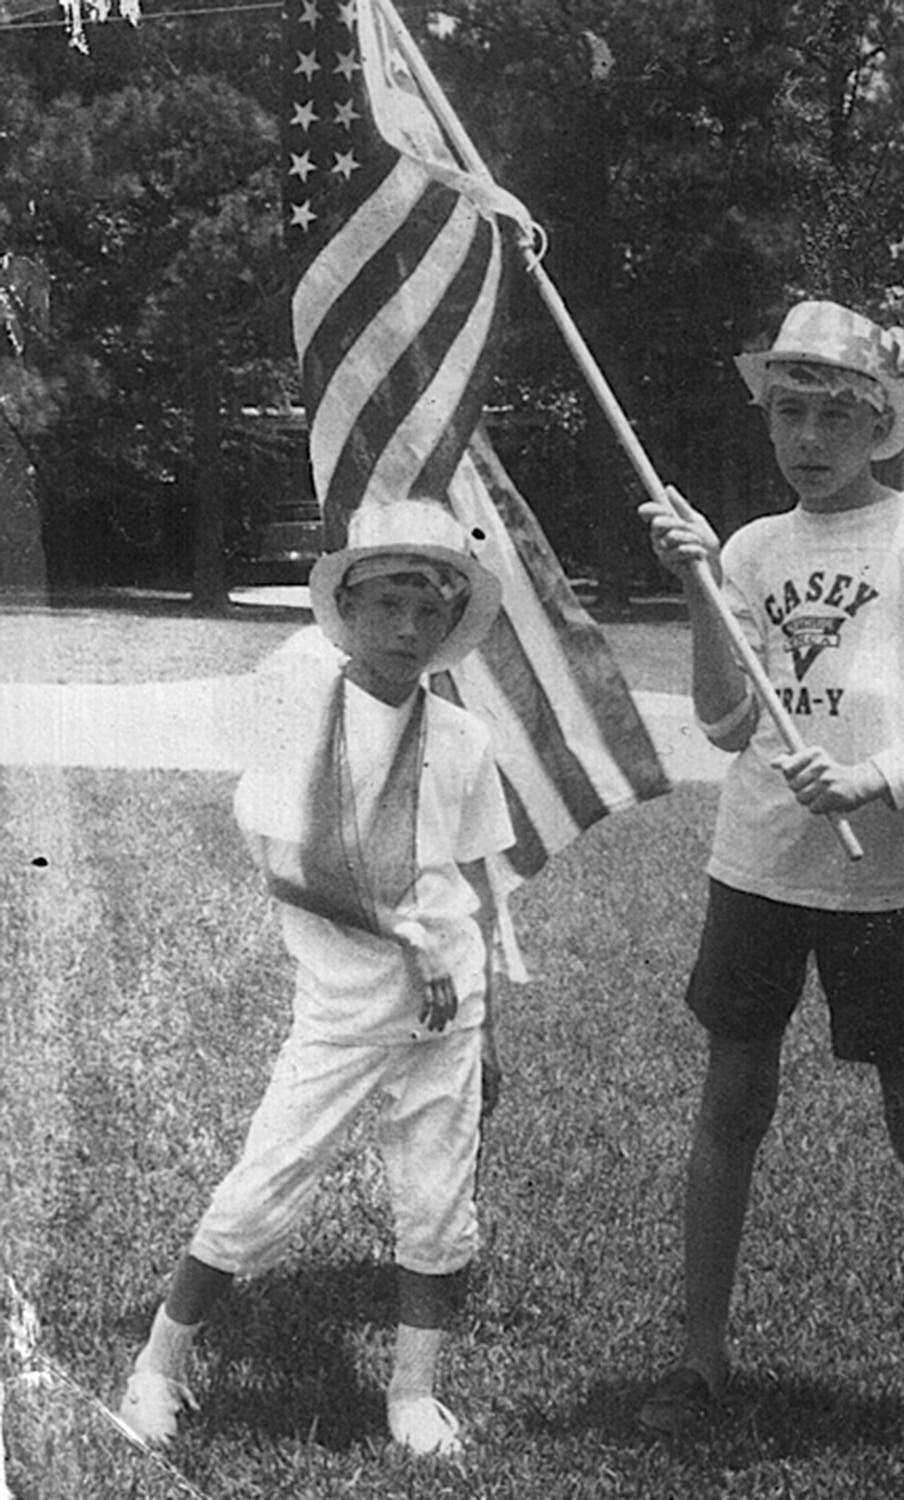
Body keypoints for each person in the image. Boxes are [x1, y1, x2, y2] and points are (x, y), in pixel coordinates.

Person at [634, 299, 904, 1463]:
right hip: (758, 863)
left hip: (888, 876)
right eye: (788, 412)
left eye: (833, 415)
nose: (808, 438)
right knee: (732, 1106)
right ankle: (702, 1357)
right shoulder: (755, 550)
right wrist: (701, 588)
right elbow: (722, 720)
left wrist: (874, 781)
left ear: (882, 422)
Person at [116, 498, 512, 1460]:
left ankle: (412, 1395)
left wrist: (484, 1012)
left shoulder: (460, 741)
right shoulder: (304, 715)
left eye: (429, 611)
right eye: (387, 605)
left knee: (437, 1206)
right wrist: (397, 934)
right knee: (262, 1189)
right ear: (348, 606)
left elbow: (477, 885)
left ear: (452, 621)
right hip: (344, 1010)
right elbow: (284, 865)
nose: (408, 629)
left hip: (445, 1014)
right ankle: (157, 1368)